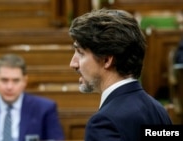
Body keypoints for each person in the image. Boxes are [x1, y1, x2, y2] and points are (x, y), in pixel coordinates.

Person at [68, 9, 172, 141]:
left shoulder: (103, 123)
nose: (73, 63)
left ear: (107, 60)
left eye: (80, 53)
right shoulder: (159, 111)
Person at [0, 54, 65, 141]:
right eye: (4, 80)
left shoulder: (45, 109)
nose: (9, 87)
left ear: (25, 81)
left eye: (16, 81)